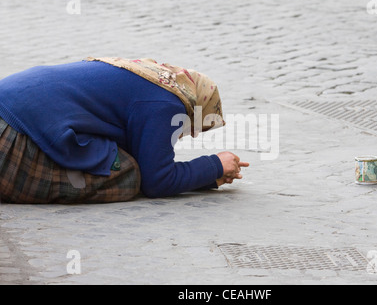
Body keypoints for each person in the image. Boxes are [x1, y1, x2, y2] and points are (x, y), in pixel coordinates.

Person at [0, 57, 249, 204]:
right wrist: (214, 166)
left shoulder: (145, 77)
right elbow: (157, 181)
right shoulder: (167, 104)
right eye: (195, 127)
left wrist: (204, 178)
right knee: (130, 173)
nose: (190, 135)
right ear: (193, 108)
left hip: (10, 112)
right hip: (12, 137)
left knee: (116, 157)